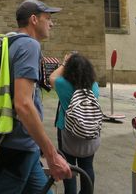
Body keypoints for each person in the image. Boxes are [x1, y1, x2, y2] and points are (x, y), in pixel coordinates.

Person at [0, 0, 71, 194]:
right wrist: (51, 154)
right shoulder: (29, 45)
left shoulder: (6, 42)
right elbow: (23, 104)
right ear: (33, 19)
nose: (52, 23)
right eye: (47, 18)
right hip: (17, 147)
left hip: (23, 145)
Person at [50, 52, 100, 194]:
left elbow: (52, 77)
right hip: (90, 132)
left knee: (68, 166)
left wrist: (65, 63)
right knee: (87, 167)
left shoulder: (62, 84)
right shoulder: (94, 86)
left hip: (67, 132)